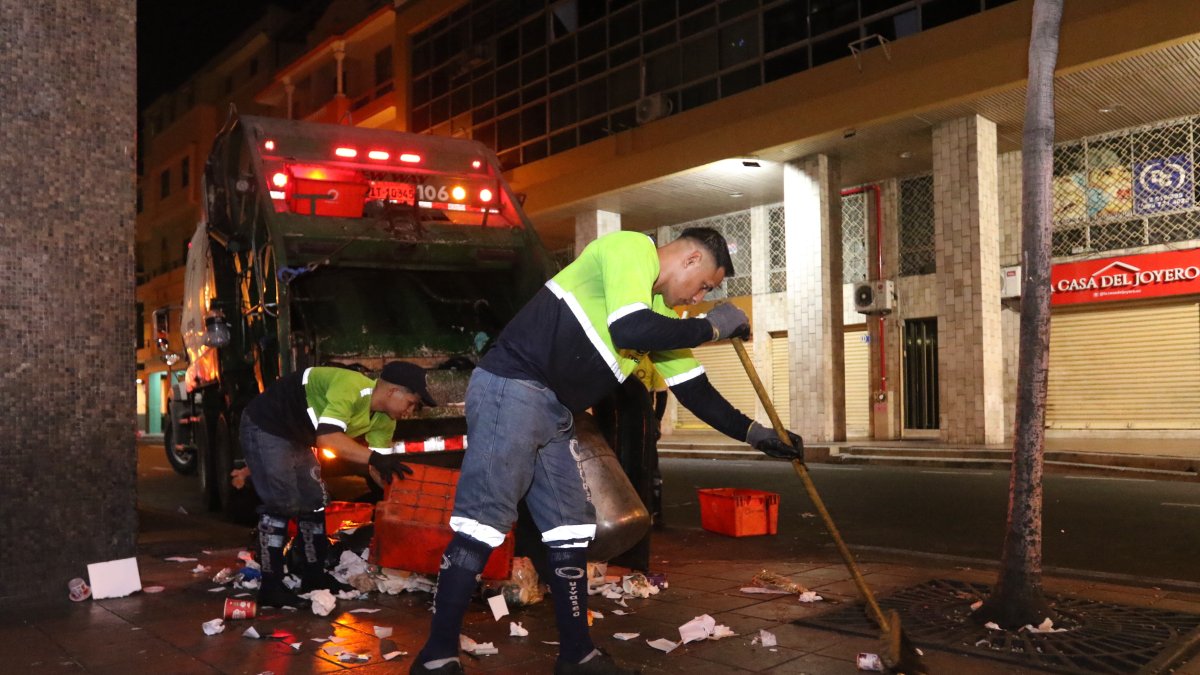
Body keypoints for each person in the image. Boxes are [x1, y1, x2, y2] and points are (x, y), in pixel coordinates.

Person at [411, 227, 804, 675]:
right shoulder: (630, 248)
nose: (697, 298)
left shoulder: (657, 315)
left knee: (569, 530)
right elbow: (628, 326)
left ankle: (576, 655)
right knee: (482, 524)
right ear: (692, 259)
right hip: (513, 388)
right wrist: (713, 326)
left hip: (557, 410)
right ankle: (436, 657)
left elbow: (696, 393)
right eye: (704, 286)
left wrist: (758, 435)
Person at [239, 362, 434, 607]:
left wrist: (399, 497)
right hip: (268, 425)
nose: (411, 411)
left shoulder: (385, 419)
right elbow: (329, 439)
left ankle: (314, 578)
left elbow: (378, 468)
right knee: (283, 502)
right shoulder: (352, 388)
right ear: (393, 392)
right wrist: (375, 459)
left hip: (297, 435)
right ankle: (271, 587)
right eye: (411, 403)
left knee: (315, 501)